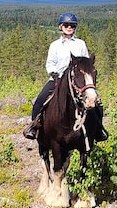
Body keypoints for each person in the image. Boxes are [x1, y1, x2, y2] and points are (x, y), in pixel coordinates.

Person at [24, 12, 90, 140]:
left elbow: (86, 63)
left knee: (96, 103)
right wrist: (53, 73)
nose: (69, 27)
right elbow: (50, 63)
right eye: (66, 25)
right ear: (61, 27)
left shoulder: (81, 44)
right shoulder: (55, 45)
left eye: (72, 25)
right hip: (58, 79)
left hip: (77, 81)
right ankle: (33, 126)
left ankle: (98, 129)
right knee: (40, 100)